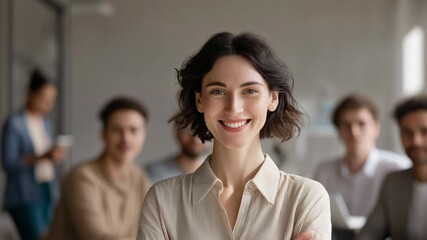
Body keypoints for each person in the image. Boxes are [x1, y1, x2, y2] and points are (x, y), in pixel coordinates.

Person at [138, 32, 331, 240]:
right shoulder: (162, 200)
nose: (234, 107)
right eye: (218, 91)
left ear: (273, 98)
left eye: (249, 91)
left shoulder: (306, 198)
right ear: (199, 100)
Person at [46, 97, 151, 240]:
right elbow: (97, 237)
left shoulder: (141, 178)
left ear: (144, 134)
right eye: (117, 130)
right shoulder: (81, 177)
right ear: (104, 134)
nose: (126, 139)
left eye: (133, 130)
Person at [314, 95, 409, 218]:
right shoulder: (324, 172)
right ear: (338, 131)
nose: (354, 132)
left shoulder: (397, 168)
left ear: (376, 127)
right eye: (347, 125)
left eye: (362, 124)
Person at [1, 68, 66, 240]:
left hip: (47, 188)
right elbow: (8, 162)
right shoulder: (15, 123)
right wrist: (41, 157)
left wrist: (54, 156)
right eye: (44, 98)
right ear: (30, 94)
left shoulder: (45, 123)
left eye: (52, 100)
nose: (48, 104)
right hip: (24, 194)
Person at [357, 95, 427, 240]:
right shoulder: (393, 182)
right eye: (407, 132)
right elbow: (369, 234)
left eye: (425, 131)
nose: (416, 141)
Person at [145, 125, 210, 183]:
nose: (196, 140)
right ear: (177, 133)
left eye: (202, 133)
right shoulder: (155, 172)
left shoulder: (217, 173)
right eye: (189, 131)